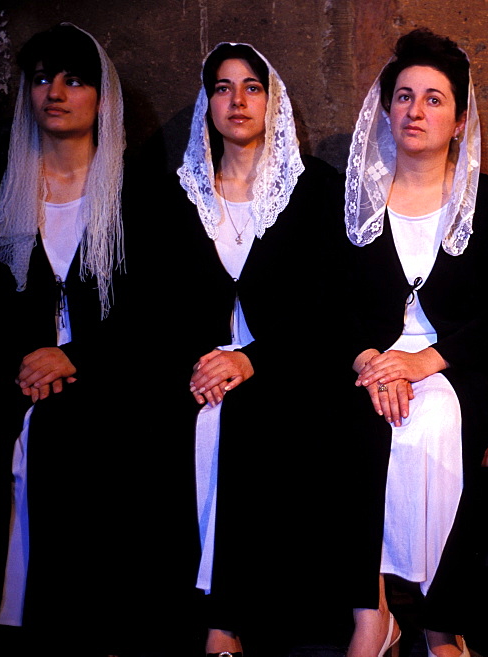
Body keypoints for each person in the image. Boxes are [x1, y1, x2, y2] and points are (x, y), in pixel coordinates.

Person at [157, 41, 348, 655]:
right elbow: (157, 301)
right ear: (206, 101)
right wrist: (203, 363)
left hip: (288, 366)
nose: (237, 100)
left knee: (246, 418)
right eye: (222, 87)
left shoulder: (314, 188)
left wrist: (249, 360)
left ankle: (226, 624)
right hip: (194, 366)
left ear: (273, 101)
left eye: (252, 87)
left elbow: (327, 308)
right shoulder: (177, 192)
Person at [343, 28, 488, 657]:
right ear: (386, 109)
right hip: (370, 364)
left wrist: (424, 361)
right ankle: (373, 611)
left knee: (442, 417)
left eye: (434, 99)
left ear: (460, 116)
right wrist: (370, 362)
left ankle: (445, 620)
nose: (417, 111)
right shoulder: (354, 205)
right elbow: (333, 308)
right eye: (405, 96)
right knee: (358, 423)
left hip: (462, 364)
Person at [0, 22, 128, 651]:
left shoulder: (135, 195)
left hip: (107, 374)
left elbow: (155, 316)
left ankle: (66, 627)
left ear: (101, 96)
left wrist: (72, 357)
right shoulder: (2, 191)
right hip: (15, 373)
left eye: (74, 79)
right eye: (43, 78)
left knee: (70, 434)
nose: (55, 92)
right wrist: (27, 361)